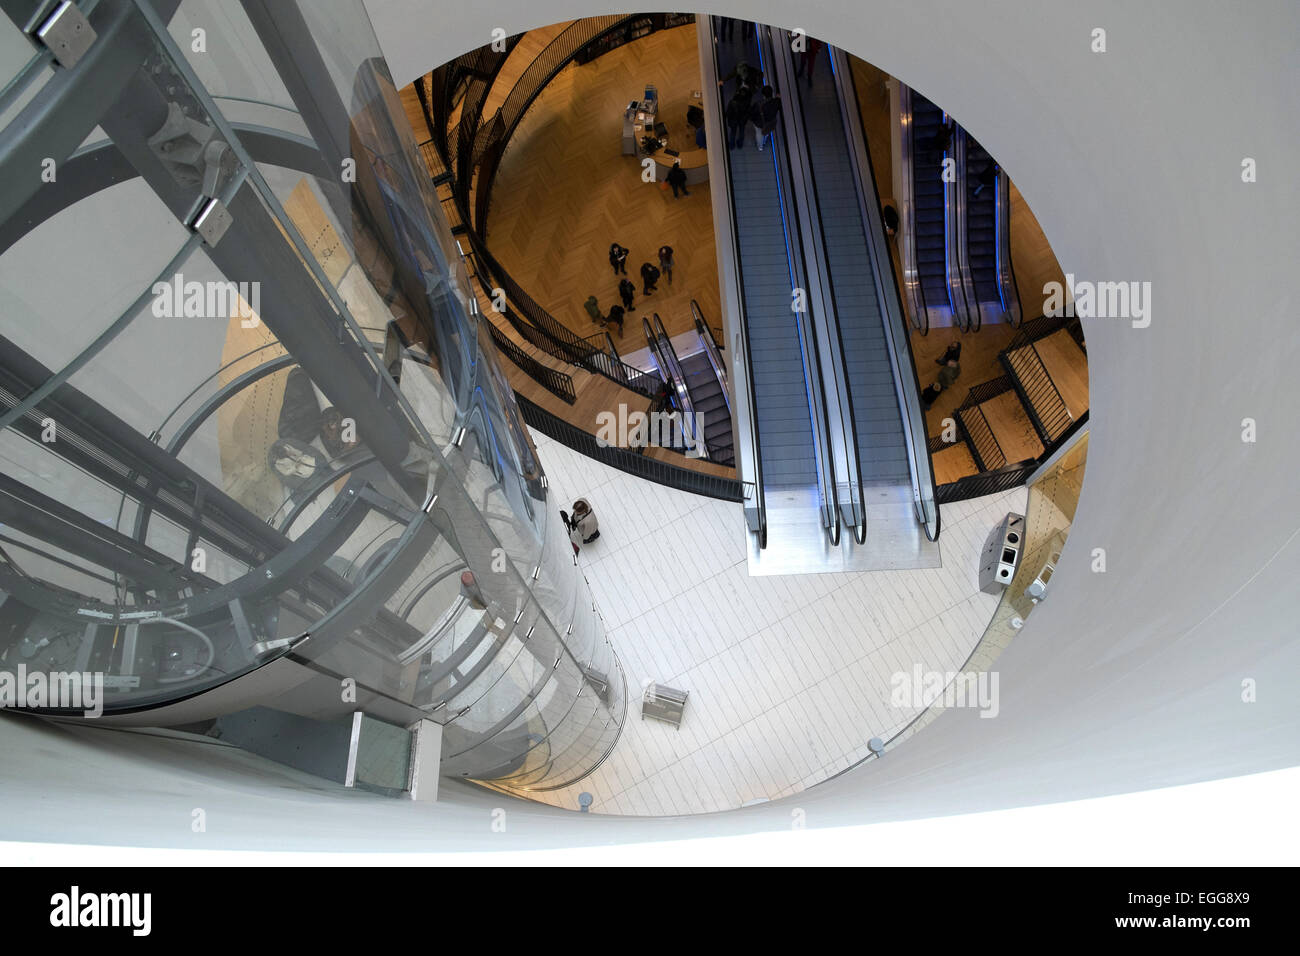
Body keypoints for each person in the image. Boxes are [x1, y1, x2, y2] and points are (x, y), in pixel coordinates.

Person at [751, 86, 783, 152]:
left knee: (759, 134)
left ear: (763, 95)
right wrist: (778, 98)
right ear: (772, 93)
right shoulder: (777, 101)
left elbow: (752, 114)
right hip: (771, 122)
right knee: (767, 131)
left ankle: (760, 146)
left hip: (759, 123)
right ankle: (765, 139)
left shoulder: (758, 104)